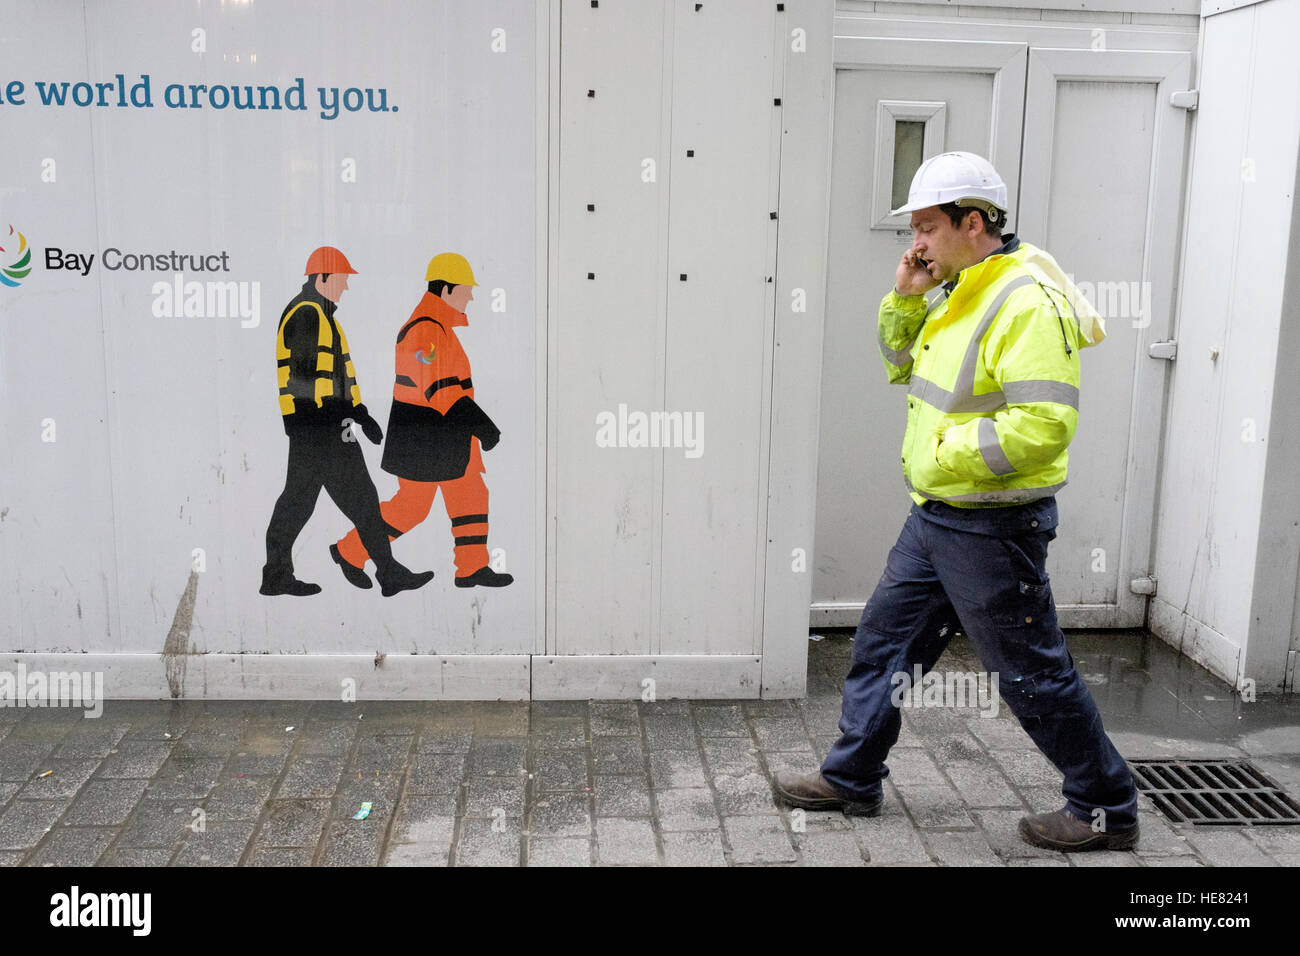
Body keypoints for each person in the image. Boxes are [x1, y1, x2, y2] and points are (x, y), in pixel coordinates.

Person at [772, 152, 1139, 852]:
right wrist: (907, 295)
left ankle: (1105, 807)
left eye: (927, 227)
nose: (917, 243)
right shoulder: (962, 286)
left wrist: (943, 455)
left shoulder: (1025, 300)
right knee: (884, 643)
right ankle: (852, 776)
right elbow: (899, 365)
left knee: (1031, 674)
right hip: (937, 517)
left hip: (991, 528)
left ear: (975, 222)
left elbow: (1044, 426)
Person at [260, 246, 435, 598]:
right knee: (356, 501)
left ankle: (277, 574)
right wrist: (338, 422)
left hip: (319, 428)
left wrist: (359, 412)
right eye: (341, 279)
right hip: (321, 428)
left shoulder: (323, 316)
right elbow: (305, 382)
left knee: (299, 502)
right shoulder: (309, 315)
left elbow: (335, 376)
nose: (345, 286)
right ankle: (388, 573)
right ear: (322, 278)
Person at [330, 252, 513, 589]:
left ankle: (472, 567)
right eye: (465, 289)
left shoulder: (439, 327)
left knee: (471, 494)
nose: (471, 295)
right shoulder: (424, 331)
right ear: (446, 290)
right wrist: (483, 426)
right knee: (411, 508)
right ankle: (350, 550)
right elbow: (440, 391)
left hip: (450, 437)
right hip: (425, 440)